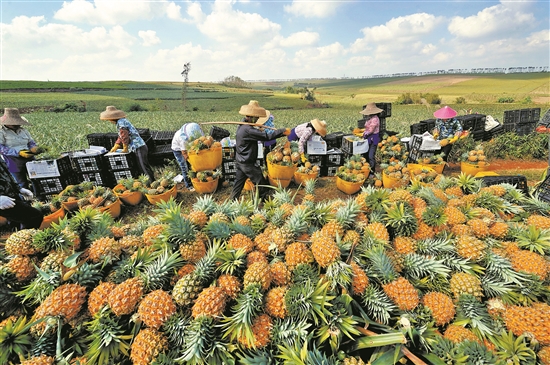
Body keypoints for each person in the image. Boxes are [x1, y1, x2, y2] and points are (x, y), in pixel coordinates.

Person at [229, 100, 291, 202]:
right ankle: (262, 202)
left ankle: (232, 200)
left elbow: (253, 133)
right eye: (256, 117)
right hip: (248, 163)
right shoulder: (248, 130)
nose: (258, 119)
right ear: (251, 117)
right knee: (261, 183)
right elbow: (267, 137)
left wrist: (257, 129)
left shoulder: (242, 124)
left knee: (238, 184)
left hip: (240, 161)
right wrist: (282, 131)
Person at [100, 106, 155, 183]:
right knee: (142, 166)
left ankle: (151, 183)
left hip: (138, 146)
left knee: (143, 167)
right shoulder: (121, 122)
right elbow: (120, 136)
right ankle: (151, 181)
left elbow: (124, 135)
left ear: (112, 118)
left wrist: (125, 147)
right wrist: (116, 145)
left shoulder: (121, 123)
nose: (109, 120)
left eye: (109, 119)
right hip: (138, 147)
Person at [0, 108, 44, 190]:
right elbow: (1, 148)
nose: (17, 125)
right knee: (20, 182)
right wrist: (18, 152)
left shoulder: (23, 131)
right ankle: (25, 200)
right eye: (14, 123)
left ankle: (39, 198)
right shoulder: (2, 132)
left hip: (29, 156)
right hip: (12, 160)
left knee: (36, 178)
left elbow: (31, 142)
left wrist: (34, 148)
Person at [0, 156, 43, 229]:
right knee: (34, 216)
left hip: (8, 195)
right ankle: (27, 240)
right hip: (2, 200)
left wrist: (18, 189)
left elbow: (5, 172)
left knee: (16, 223)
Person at [171, 122, 204, 192]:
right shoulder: (182, 139)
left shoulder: (195, 129)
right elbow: (184, 153)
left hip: (188, 147)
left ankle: (196, 179)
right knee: (184, 167)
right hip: (178, 150)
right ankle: (188, 185)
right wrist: (192, 162)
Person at [361, 102, 384, 176]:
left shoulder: (375, 119)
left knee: (371, 155)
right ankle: (367, 169)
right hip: (368, 138)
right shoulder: (369, 118)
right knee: (366, 154)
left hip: (373, 138)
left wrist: (365, 134)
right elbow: (367, 128)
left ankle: (372, 172)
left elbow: (371, 130)